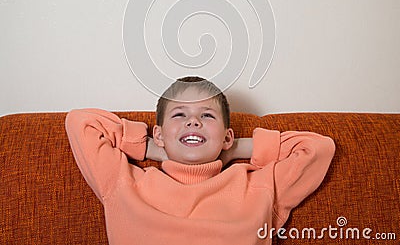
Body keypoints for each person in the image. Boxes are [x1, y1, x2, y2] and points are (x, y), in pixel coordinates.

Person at [65, 76, 335, 245]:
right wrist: (150, 148)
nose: (193, 121)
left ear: (227, 136)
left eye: (207, 116)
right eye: (179, 115)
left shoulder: (258, 187)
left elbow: (318, 149)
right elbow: (80, 121)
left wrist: (234, 149)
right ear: (159, 133)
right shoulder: (124, 183)